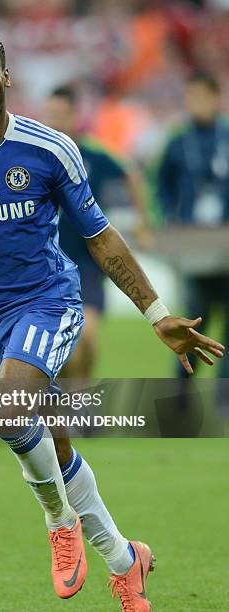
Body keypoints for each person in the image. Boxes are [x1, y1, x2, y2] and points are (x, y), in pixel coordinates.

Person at [0, 28, 224, 610]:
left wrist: (156, 312)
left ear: (6, 77)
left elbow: (101, 238)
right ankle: (128, 561)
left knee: (7, 407)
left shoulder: (49, 149)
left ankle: (58, 522)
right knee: (52, 442)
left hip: (48, 301)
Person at [43, 86, 152, 379]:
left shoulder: (93, 153)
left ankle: (79, 393)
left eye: (61, 114)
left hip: (88, 262)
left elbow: (133, 175)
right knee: (62, 347)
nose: (55, 120)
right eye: (50, 114)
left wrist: (143, 224)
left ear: (75, 115)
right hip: (47, 265)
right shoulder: (37, 155)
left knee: (86, 335)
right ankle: (72, 402)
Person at [157, 71, 229, 408]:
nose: (195, 104)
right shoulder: (177, 142)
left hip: (225, 241)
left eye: (201, 97)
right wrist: (170, 217)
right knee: (193, 319)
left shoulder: (226, 136)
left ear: (216, 99)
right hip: (194, 243)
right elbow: (162, 186)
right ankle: (182, 392)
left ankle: (222, 397)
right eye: (191, 97)